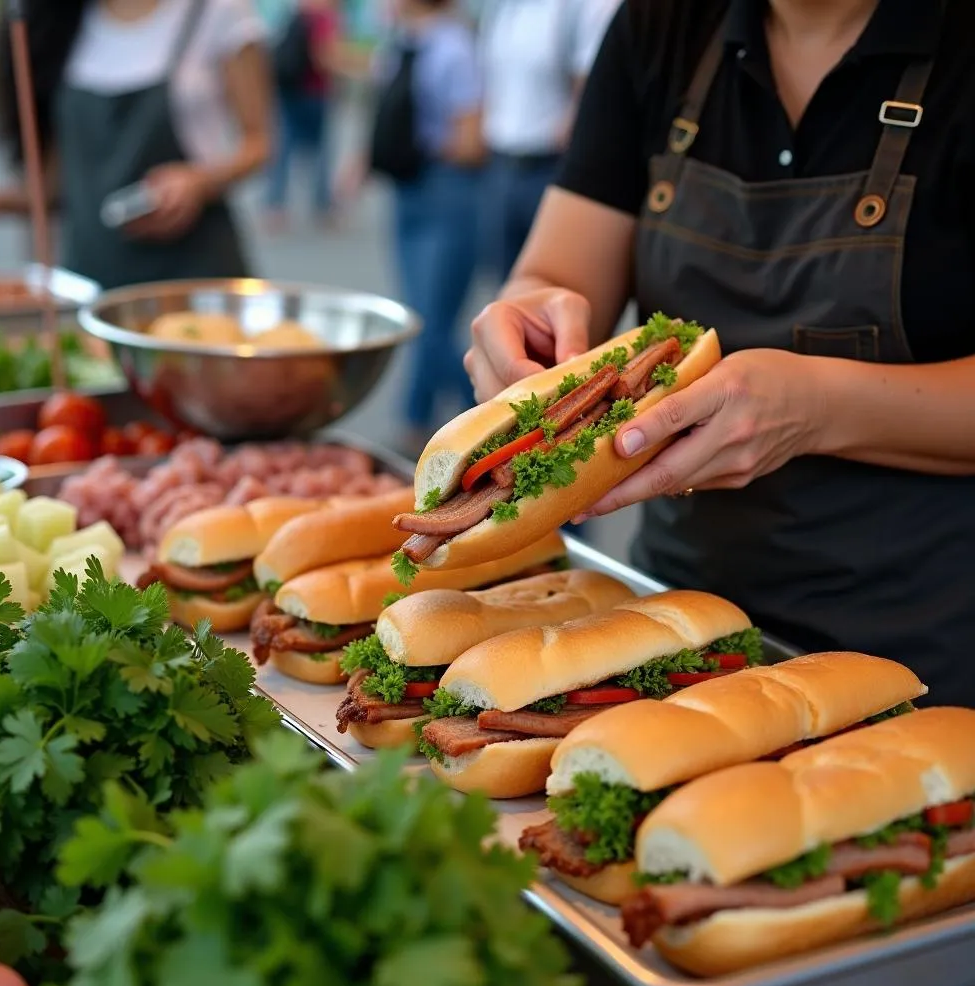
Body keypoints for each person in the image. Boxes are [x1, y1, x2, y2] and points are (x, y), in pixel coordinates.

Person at [466, 0, 975, 704]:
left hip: (927, 640)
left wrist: (822, 408)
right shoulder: (663, 24)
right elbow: (556, 273)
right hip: (673, 615)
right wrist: (527, 318)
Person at [0, 0, 271, 289]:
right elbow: (61, 189)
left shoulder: (217, 11)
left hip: (195, 276)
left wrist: (198, 182)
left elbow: (258, 143)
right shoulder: (64, 22)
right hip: (90, 279)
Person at [369, 0, 484, 450]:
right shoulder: (399, 44)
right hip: (407, 191)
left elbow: (472, 140)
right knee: (418, 317)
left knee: (432, 324)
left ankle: (488, 405)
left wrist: (420, 148)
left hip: (444, 190)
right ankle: (418, 423)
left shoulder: (454, 48)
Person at [477, 0, 619, 283]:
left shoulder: (579, 9)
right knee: (505, 281)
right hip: (501, 163)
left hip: (549, 165)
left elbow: (591, 84)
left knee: (554, 282)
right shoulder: (504, 9)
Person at [262, 0, 341, 233]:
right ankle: (322, 205)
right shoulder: (324, 18)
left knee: (283, 149)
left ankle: (274, 205)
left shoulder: (294, 14)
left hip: (288, 90)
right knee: (322, 151)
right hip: (314, 92)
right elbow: (323, 55)